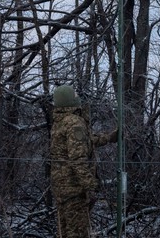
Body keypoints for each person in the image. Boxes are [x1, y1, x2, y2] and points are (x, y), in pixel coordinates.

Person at [49, 84, 117, 238]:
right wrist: (91, 184)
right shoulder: (74, 122)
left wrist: (109, 138)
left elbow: (84, 142)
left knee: (64, 231)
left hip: (61, 187)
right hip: (75, 188)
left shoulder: (59, 121)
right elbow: (78, 158)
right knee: (78, 232)